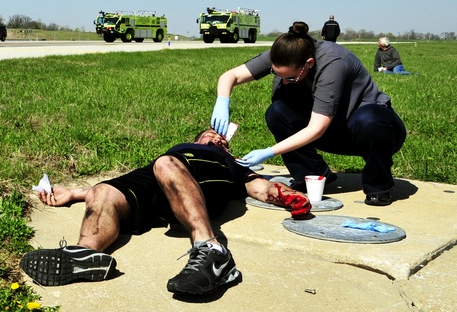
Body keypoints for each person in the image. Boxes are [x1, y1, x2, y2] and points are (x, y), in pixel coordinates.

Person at [20, 128, 312, 295]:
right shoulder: (179, 150)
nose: (217, 139)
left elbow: (257, 186)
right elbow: (161, 169)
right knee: (102, 190)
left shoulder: (229, 161)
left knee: (164, 163)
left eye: (221, 140)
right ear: (196, 139)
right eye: (210, 136)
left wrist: (286, 196)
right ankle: (85, 255)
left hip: (192, 177)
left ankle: (213, 252)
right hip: (162, 177)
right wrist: (74, 193)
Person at [211, 22, 406, 207]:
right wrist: (222, 101)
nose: (284, 82)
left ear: (309, 63)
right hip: (331, 128)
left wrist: (269, 151)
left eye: (291, 78)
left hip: (372, 131)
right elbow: (231, 76)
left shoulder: (332, 63)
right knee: (277, 112)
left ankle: (378, 186)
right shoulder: (284, 52)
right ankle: (312, 175)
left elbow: (317, 128)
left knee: (368, 120)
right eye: (277, 75)